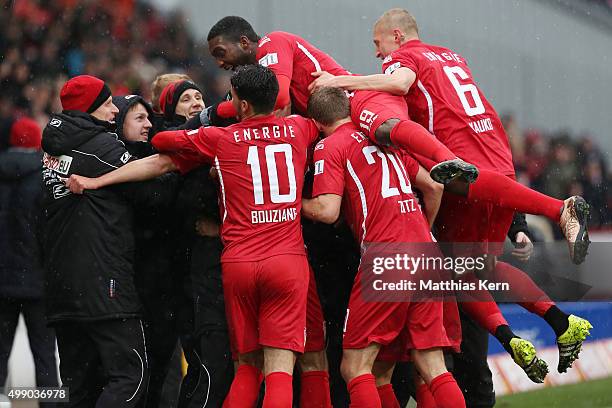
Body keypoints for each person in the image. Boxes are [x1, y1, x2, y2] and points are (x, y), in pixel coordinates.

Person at [307, 6, 593, 398]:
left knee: (452, 278)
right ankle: (559, 321)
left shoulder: (401, 59)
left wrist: (342, 81)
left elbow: (402, 84)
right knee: (479, 267)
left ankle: (559, 213)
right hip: (498, 159)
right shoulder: (451, 55)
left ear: (397, 36)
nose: (378, 54)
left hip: (459, 163)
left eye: (377, 44)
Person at [64, 65, 326, 408]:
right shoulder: (299, 129)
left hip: (238, 264)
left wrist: (98, 181)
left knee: (246, 366)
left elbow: (161, 145)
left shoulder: (220, 138)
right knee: (279, 369)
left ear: (240, 105)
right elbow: (315, 116)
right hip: (286, 261)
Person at [302, 87, 465, 408]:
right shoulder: (381, 139)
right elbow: (433, 185)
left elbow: (326, 210)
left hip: (388, 257)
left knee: (354, 367)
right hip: (425, 255)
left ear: (317, 122)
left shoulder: (329, 146)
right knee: (429, 366)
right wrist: (420, 231)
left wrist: (289, 200)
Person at [206, 16, 479, 186]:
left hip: (356, 99)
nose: (219, 62)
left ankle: (450, 158)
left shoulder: (271, 42)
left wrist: (210, 116)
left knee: (421, 162)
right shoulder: (253, 79)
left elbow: (278, 100)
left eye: (220, 52)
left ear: (244, 42)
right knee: (431, 180)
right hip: (342, 115)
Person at [41, 75, 151, 407]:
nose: (113, 111)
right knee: (131, 376)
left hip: (62, 287)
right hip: (104, 284)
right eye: (106, 104)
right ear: (89, 108)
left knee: (79, 386)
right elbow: (152, 192)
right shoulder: (102, 146)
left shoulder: (51, 148)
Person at [112, 94, 184, 408]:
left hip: (163, 281)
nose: (148, 125)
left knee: (162, 360)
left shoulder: (157, 154)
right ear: (120, 123)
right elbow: (151, 197)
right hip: (129, 281)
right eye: (139, 119)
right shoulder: (112, 159)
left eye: (148, 118)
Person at [0, 117, 59, 407]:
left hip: (1, 283)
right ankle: (49, 404)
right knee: (46, 355)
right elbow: (48, 233)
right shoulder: (43, 178)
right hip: (37, 281)